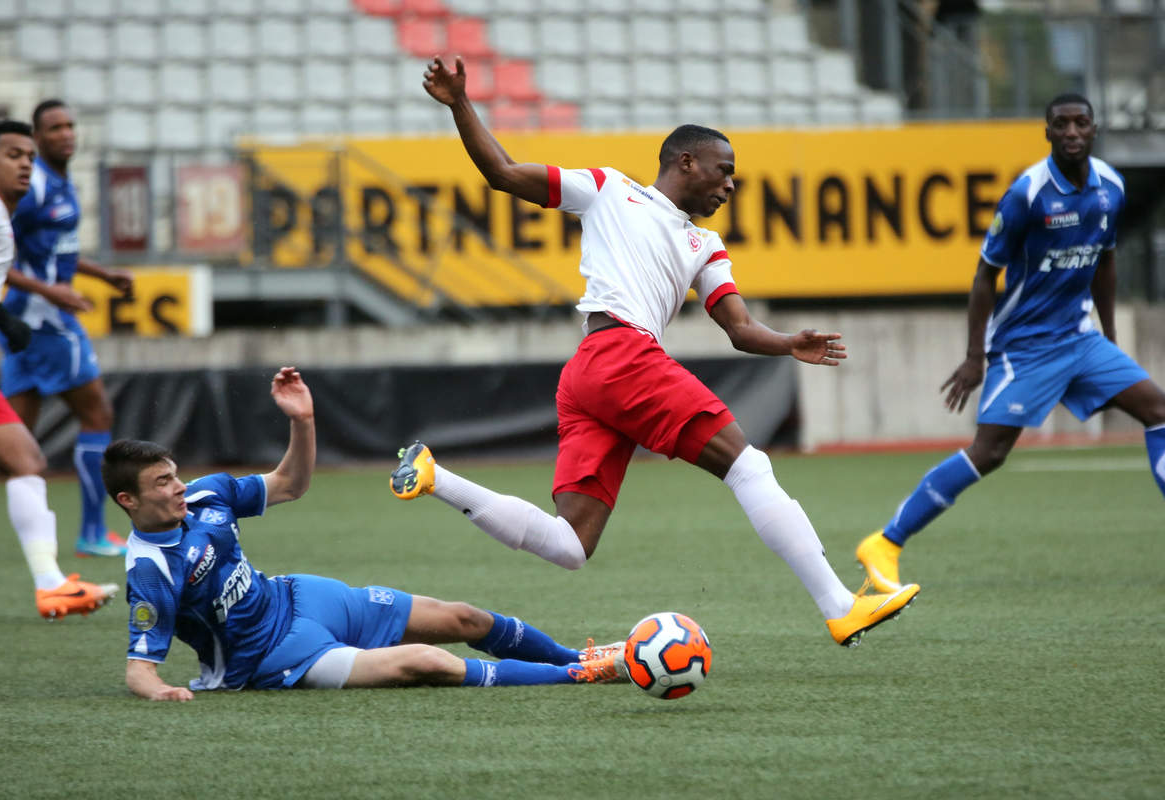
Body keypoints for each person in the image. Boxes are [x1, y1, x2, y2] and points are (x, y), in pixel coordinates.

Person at [389, 55, 920, 649]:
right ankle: (840, 605)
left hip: (590, 374)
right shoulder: (609, 189)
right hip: (622, 354)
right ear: (685, 161)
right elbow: (505, 173)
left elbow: (740, 328)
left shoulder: (705, 243)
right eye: (723, 171)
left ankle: (435, 477)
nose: (730, 185)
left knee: (570, 545)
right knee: (748, 466)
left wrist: (788, 343)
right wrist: (461, 103)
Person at [106, 367, 626, 701]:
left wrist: (303, 421)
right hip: (274, 658)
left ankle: (577, 657)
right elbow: (139, 669)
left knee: (464, 617)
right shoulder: (150, 570)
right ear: (128, 500)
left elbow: (290, 484)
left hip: (298, 597)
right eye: (162, 482)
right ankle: (583, 676)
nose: (178, 486)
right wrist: (160, 692)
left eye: (174, 474)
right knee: (427, 662)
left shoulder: (206, 495)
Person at [856, 93, 1165, 592]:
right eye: (1061, 124)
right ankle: (885, 543)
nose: (1071, 132)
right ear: (1047, 132)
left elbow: (1104, 261)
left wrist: (1110, 339)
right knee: (990, 451)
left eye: (1080, 123)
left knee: (1158, 410)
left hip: (1081, 339)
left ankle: (887, 542)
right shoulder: (1027, 194)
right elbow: (985, 276)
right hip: (1026, 347)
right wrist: (974, 356)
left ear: (1094, 128)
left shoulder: (1111, 186)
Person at [0, 119, 117, 619]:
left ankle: (51, 584)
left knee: (27, 460)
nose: (25, 164)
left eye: (30, 156)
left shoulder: (3, 217)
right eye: (13, 155)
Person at [0, 99, 134, 558]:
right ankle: (92, 533)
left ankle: (45, 544)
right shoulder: (33, 186)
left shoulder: (58, 181)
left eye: (71, 125)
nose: (67, 133)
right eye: (55, 127)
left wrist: (102, 275)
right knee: (97, 414)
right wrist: (51, 292)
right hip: (46, 321)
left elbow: (56, 250)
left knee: (15, 443)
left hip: (22, 321)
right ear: (37, 138)